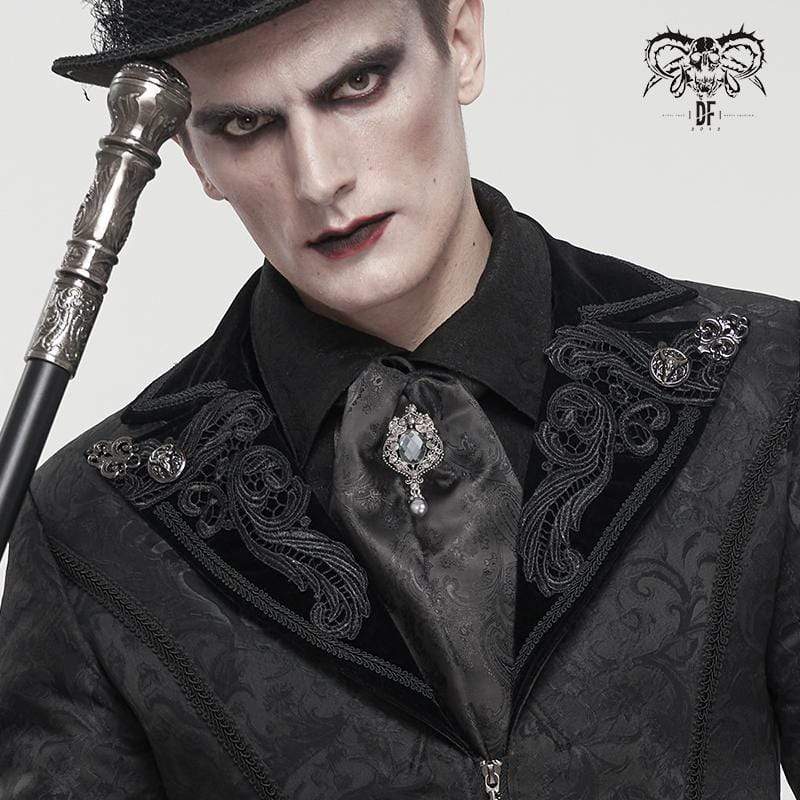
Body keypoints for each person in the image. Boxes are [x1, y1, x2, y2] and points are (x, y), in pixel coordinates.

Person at [1, 0, 798, 797]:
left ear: (462, 41)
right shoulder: (90, 525)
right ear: (194, 156)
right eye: (246, 125)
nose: (319, 179)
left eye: (357, 83)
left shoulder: (760, 379)